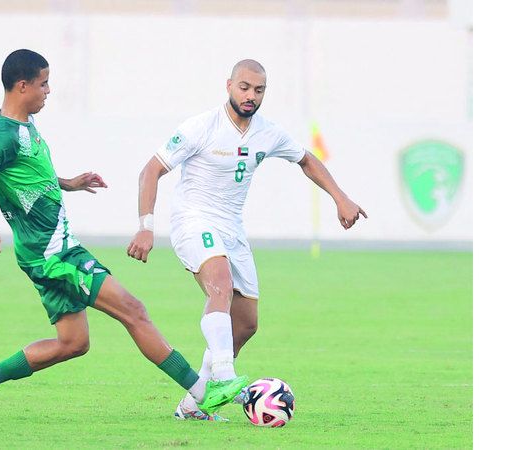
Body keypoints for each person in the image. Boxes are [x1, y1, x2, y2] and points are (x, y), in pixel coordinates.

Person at [0, 49, 247, 423]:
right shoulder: (3, 135)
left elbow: (27, 176)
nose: (49, 90)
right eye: (43, 83)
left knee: (73, 344)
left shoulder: (24, 126)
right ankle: (205, 393)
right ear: (22, 86)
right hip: (54, 255)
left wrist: (69, 183)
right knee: (133, 311)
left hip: (46, 254)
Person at [126, 59, 367, 420]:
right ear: (229, 85)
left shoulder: (267, 132)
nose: (251, 96)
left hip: (232, 229)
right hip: (194, 220)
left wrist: (340, 197)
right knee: (219, 286)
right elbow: (151, 169)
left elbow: (306, 160)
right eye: (244, 87)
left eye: (259, 90)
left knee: (247, 322)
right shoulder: (201, 127)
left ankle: (194, 405)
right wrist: (146, 224)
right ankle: (225, 375)